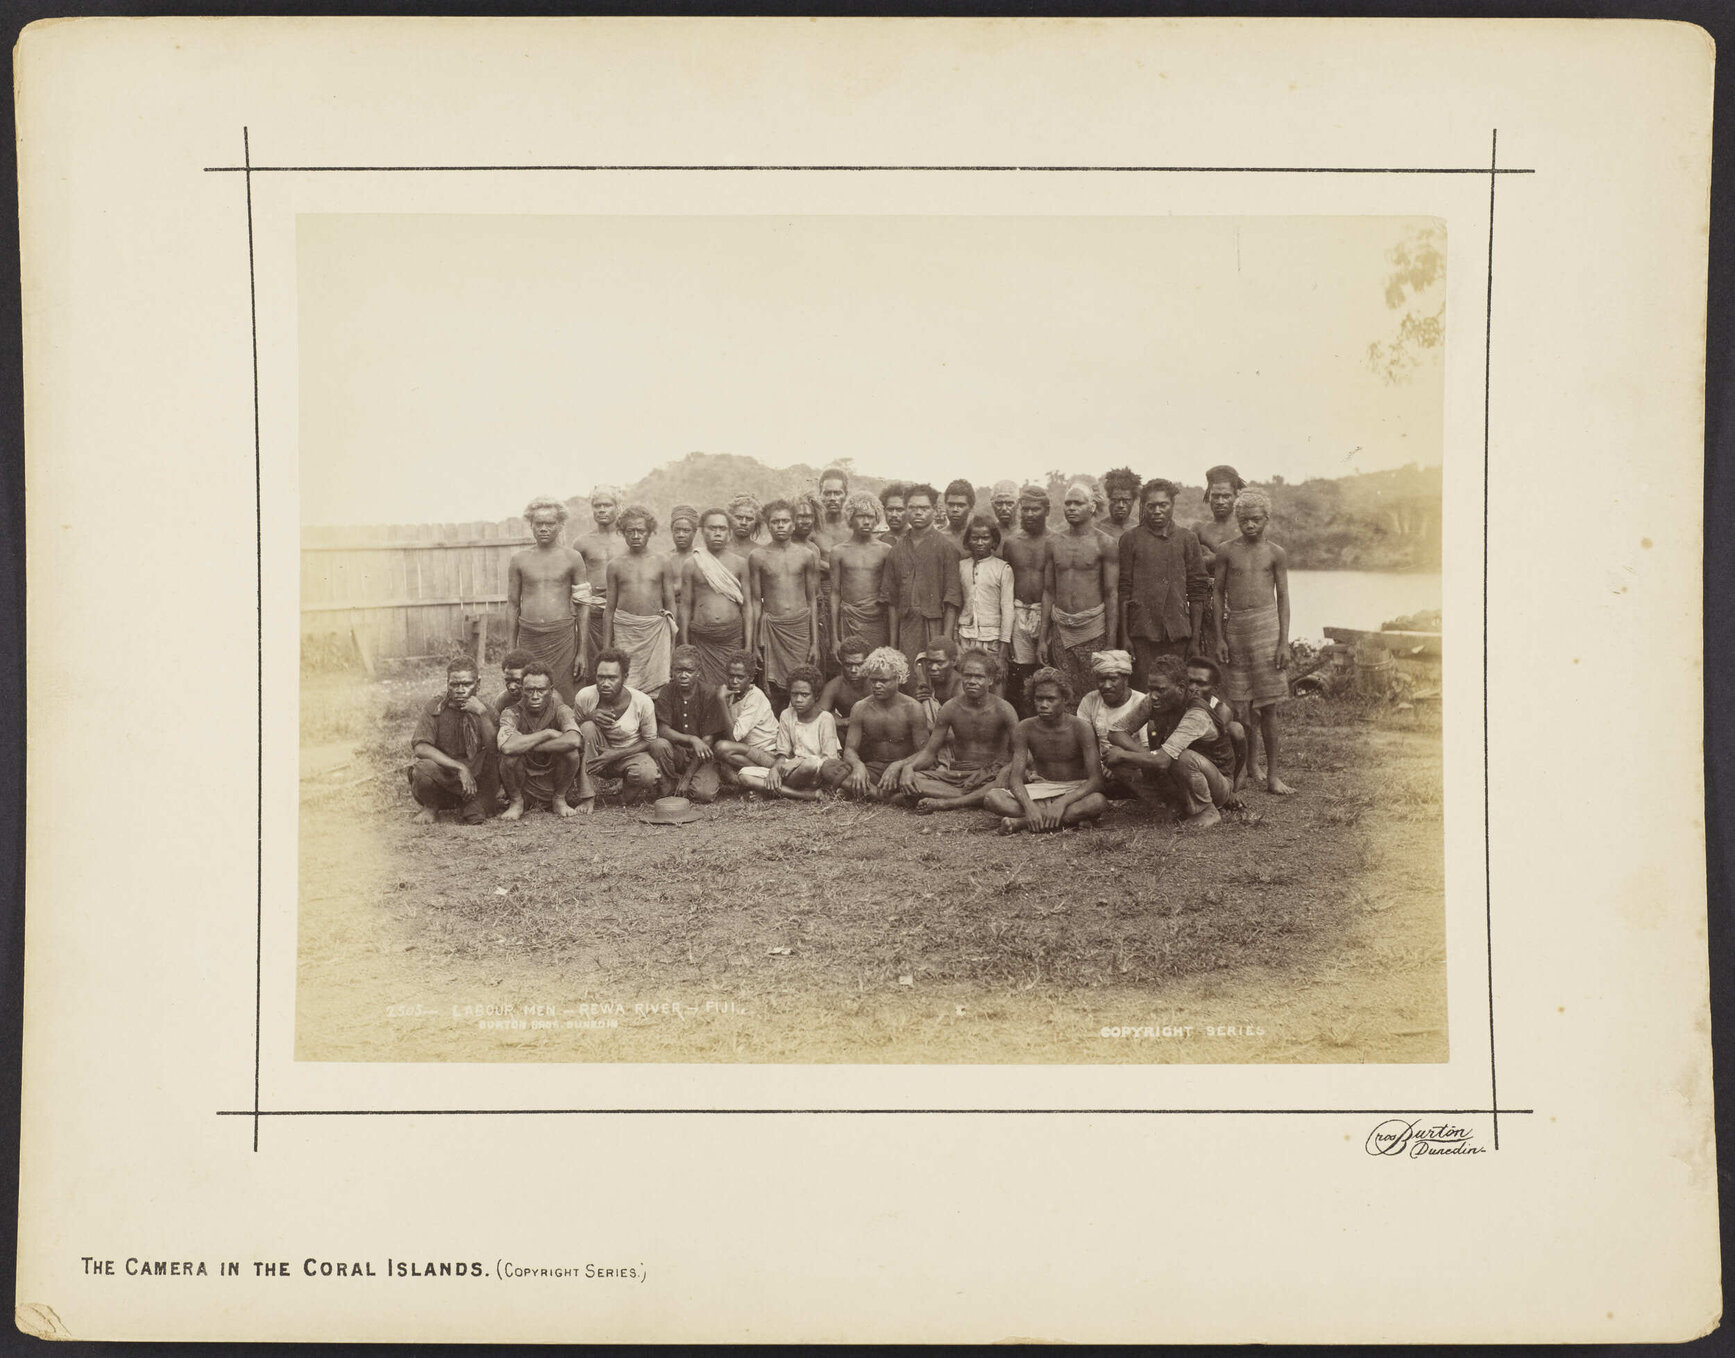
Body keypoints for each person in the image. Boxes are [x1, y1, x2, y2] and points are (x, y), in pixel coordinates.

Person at [1211, 486, 1294, 794]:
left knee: (1269, 706)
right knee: (1242, 707)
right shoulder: (1226, 551)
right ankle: (1248, 766)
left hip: (1267, 628)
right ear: (1237, 519)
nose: (1250, 525)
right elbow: (1218, 594)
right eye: (1244, 520)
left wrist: (1283, 642)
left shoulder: (1275, 553)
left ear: (1266, 519)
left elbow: (1283, 598)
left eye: (1256, 520)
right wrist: (1220, 636)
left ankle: (1273, 775)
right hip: (1236, 630)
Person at [1105, 654, 1239, 828]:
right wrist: (1146, 756)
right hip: (1177, 775)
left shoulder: (1197, 713)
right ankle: (1169, 805)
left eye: (1160, 689)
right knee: (1114, 760)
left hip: (1216, 784)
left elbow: (1163, 760)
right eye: (1151, 688)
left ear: (1181, 688)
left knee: (1182, 757)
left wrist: (1125, 755)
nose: (1153, 695)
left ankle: (1206, 811)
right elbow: (1115, 732)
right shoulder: (1155, 700)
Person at [982, 666, 1108, 833]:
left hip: (1074, 791)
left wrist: (1062, 802)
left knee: (1097, 801)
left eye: (1051, 699)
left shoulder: (1081, 728)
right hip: (1041, 788)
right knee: (992, 798)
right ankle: (1064, 820)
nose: (1043, 705)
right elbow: (1016, 779)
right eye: (1039, 699)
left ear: (1065, 699)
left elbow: (1096, 780)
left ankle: (1022, 823)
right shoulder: (1025, 728)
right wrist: (1028, 806)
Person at [899, 648, 1018, 814]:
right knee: (913, 779)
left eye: (979, 677)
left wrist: (1006, 770)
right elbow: (929, 752)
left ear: (990, 680)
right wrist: (908, 768)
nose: (972, 681)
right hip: (958, 775)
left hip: (990, 774)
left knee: (1007, 780)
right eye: (967, 675)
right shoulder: (951, 707)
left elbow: (1021, 753)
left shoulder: (1004, 709)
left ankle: (947, 803)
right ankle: (970, 799)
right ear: (961, 676)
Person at [1118, 476, 1210, 683]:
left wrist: (1194, 639)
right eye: (1151, 506)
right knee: (1143, 692)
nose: (1157, 511)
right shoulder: (1130, 539)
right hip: (1141, 633)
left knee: (1175, 690)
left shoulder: (1187, 539)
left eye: (1163, 505)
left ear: (1172, 505)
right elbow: (1123, 589)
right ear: (1144, 507)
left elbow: (1197, 591)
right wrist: (1124, 637)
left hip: (1178, 634)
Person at [1043, 479, 1119, 704]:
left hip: (1094, 628)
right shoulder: (1054, 543)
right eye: (1068, 503)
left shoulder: (1105, 543)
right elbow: (1048, 591)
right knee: (1064, 692)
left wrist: (1111, 640)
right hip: (1061, 627)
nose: (1071, 508)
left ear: (1092, 507)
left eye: (1078, 503)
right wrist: (1042, 637)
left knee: (1095, 691)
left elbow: (1112, 592)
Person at [883, 482, 963, 692]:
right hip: (906, 626)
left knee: (937, 681)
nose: (918, 512)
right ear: (906, 509)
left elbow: (952, 598)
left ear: (934, 510)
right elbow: (890, 601)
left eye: (924, 508)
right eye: (913, 507)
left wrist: (945, 640)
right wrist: (893, 643)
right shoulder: (896, 550)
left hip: (934, 624)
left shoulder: (946, 548)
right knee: (909, 681)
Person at [506, 495, 586, 704]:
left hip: (562, 638)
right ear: (531, 525)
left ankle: (566, 734)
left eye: (549, 523)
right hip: (529, 637)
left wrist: (582, 652)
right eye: (538, 523)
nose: (543, 528)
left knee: (564, 694)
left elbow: (583, 605)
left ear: (560, 525)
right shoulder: (519, 559)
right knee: (528, 692)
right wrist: (511, 648)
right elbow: (513, 604)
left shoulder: (573, 558)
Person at [407, 658, 499, 824]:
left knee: (474, 816)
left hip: (475, 780)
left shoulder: (486, 710)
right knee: (422, 768)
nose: (460, 690)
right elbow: (420, 747)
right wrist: (459, 767)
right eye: (454, 685)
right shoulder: (435, 707)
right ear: (447, 683)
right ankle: (431, 806)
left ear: (478, 684)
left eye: (466, 684)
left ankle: (474, 803)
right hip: (446, 775)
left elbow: (495, 750)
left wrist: (483, 715)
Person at [749, 498, 820, 711]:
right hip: (772, 630)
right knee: (773, 690)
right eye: (775, 521)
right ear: (767, 524)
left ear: (794, 523)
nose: (780, 525)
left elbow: (812, 600)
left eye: (785, 521)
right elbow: (755, 602)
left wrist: (815, 642)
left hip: (800, 628)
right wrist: (754, 642)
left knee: (803, 685)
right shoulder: (757, 556)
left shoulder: (807, 555)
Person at [496, 660, 592, 819]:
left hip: (553, 777)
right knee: (509, 757)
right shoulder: (511, 713)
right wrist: (547, 733)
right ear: (522, 689)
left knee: (571, 753)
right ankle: (516, 802)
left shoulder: (561, 710)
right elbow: (507, 747)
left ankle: (559, 799)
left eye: (540, 690)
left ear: (551, 690)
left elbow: (574, 740)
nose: (535, 696)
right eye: (529, 690)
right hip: (523, 781)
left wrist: (525, 745)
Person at [737, 666, 849, 800]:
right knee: (744, 775)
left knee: (809, 765)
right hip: (792, 771)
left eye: (805, 695)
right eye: (794, 694)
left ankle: (769, 791)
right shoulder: (787, 715)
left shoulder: (825, 718)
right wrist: (774, 770)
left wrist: (799, 761)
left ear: (816, 696)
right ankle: (806, 795)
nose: (798, 699)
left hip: (815, 773)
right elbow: (782, 754)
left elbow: (830, 759)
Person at [571, 648, 661, 804]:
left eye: (612, 678)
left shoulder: (642, 702)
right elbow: (572, 729)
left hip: (628, 755)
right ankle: (588, 797)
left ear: (625, 677)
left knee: (647, 773)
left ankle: (625, 795)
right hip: (596, 755)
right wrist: (589, 716)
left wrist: (616, 754)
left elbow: (650, 740)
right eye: (601, 677)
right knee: (587, 727)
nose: (605, 683)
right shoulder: (585, 696)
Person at [604, 504, 675, 698]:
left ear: (650, 532)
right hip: (625, 632)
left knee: (657, 686)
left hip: (655, 633)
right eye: (630, 531)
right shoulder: (615, 565)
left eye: (641, 531)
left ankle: (653, 726)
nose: (636, 536)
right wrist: (606, 646)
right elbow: (609, 608)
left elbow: (670, 602)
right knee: (626, 684)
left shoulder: (662, 561)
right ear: (622, 532)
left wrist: (674, 639)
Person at [839, 647, 930, 800]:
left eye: (884, 681)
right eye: (873, 680)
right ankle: (887, 797)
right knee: (830, 768)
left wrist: (899, 765)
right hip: (873, 768)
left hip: (903, 769)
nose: (877, 685)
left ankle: (868, 793)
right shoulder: (861, 708)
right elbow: (849, 749)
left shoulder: (912, 708)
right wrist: (858, 766)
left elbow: (925, 752)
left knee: (918, 781)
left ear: (898, 678)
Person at [679, 508, 752, 690]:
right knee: (703, 689)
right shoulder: (692, 564)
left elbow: (748, 606)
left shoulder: (740, 564)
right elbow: (686, 606)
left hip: (732, 638)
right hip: (702, 639)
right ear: (702, 530)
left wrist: (748, 644)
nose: (717, 533)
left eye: (722, 528)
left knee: (732, 687)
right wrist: (686, 643)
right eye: (712, 528)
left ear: (729, 532)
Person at [649, 644, 728, 803]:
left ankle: (692, 780)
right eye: (678, 670)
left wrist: (687, 778)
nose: (683, 675)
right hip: (678, 753)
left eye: (689, 671)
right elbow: (663, 730)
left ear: (698, 672)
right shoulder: (667, 691)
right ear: (672, 671)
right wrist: (692, 739)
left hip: (704, 757)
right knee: (659, 744)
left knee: (702, 794)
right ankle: (668, 785)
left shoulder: (709, 693)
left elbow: (707, 741)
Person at [1002, 483, 1054, 715]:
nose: (1030, 514)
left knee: (1048, 670)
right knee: (1023, 674)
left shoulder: (1055, 541)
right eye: (1025, 509)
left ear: (1047, 510)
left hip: (1047, 613)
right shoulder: (1012, 543)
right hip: (1019, 611)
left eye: (1036, 509)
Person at [1075, 649, 1150, 797]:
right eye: (1101, 680)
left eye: (1113, 679)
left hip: (1135, 763)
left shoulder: (1141, 702)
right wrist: (1099, 766)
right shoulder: (1090, 700)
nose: (1107, 685)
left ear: (1126, 679)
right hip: (1098, 766)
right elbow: (1083, 741)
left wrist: (1118, 761)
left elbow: (1147, 750)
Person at [572, 485, 628, 682]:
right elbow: (574, 582)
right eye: (597, 505)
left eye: (607, 505)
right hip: (592, 615)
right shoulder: (582, 543)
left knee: (622, 669)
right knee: (591, 669)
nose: (602, 509)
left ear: (618, 507)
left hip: (622, 613)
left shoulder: (628, 539)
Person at [829, 492, 893, 656]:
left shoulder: (885, 551)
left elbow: (890, 596)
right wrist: (834, 637)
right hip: (849, 620)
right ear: (851, 518)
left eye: (871, 517)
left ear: (877, 518)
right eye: (861, 516)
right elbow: (835, 593)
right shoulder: (838, 552)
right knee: (852, 668)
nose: (866, 521)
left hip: (877, 621)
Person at [956, 513, 1015, 676]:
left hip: (992, 640)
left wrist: (1002, 654)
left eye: (985, 538)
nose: (980, 542)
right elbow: (957, 603)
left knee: (994, 681)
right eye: (975, 538)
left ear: (993, 541)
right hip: (965, 637)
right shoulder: (961, 567)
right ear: (968, 540)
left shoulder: (1003, 569)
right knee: (968, 681)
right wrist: (956, 638)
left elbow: (1008, 610)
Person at [1184, 654, 1247, 794]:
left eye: (1201, 683)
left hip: (1213, 763)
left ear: (1215, 688)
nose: (1193, 687)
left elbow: (1209, 745)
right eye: (1189, 681)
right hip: (1184, 759)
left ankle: (1234, 782)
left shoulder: (1221, 710)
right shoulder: (1178, 701)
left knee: (1236, 729)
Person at [714, 649, 780, 783]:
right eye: (731, 676)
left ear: (751, 678)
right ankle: (756, 779)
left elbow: (733, 737)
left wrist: (721, 701)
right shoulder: (731, 693)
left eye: (740, 677)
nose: (734, 681)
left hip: (769, 755)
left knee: (722, 748)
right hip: (747, 752)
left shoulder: (755, 696)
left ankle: (767, 777)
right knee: (723, 757)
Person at [819, 635, 874, 745]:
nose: (854, 670)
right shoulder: (835, 685)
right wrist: (840, 721)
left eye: (859, 664)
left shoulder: (878, 681)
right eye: (849, 665)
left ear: (868, 662)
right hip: (849, 736)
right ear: (842, 663)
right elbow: (818, 714)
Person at [1196, 464, 1247, 562]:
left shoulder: (1245, 529)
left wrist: (1214, 559)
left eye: (1226, 496)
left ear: (1236, 496)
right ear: (1208, 496)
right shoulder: (1199, 530)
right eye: (1215, 496)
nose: (1220, 502)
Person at [664, 504, 702, 613]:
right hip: (670, 613)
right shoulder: (664, 559)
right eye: (677, 530)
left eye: (686, 531)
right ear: (672, 531)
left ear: (694, 532)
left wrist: (675, 589)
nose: (681, 535)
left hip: (697, 613)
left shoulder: (701, 557)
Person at [486, 648, 533, 717]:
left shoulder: (548, 699)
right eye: (507, 680)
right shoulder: (503, 700)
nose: (511, 687)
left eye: (518, 681)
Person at [1099, 466, 1142, 542]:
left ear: (1133, 501)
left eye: (1126, 500)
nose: (1120, 505)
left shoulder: (1140, 529)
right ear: (1109, 499)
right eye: (1115, 500)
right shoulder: (1098, 529)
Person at [942, 478, 977, 550]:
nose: (955, 510)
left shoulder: (979, 537)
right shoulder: (938, 537)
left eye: (961, 505)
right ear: (945, 505)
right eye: (951, 505)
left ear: (971, 508)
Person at [876, 482, 909, 546]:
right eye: (890, 509)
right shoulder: (878, 542)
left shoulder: (920, 540)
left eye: (899, 510)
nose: (894, 515)